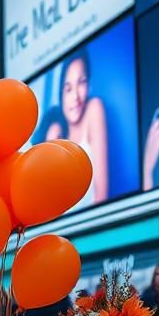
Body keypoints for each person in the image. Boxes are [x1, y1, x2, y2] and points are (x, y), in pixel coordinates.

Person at [41, 49, 108, 204]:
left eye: (82, 82)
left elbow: (102, 195)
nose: (75, 96)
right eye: (68, 89)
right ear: (61, 94)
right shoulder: (56, 133)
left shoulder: (94, 108)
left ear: (89, 84)